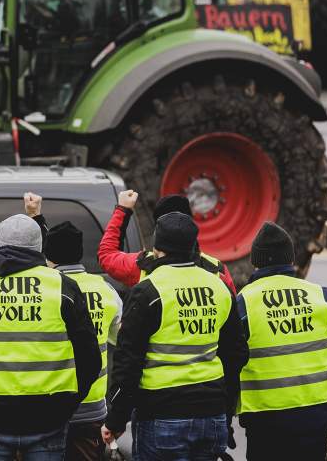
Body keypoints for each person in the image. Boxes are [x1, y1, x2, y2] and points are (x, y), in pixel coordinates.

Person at [0, 214, 101, 461]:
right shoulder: (62, 287)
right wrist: (66, 406)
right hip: (48, 417)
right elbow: (90, 357)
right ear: (39, 246)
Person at [102, 212, 248, 461]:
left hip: (161, 415)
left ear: (157, 249)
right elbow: (236, 354)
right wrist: (225, 410)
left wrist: (116, 420)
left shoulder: (148, 291)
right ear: (193, 247)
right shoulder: (219, 287)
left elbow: (128, 364)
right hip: (211, 413)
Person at [237, 222, 327, 461]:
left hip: (265, 419)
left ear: (255, 262)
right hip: (318, 415)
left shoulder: (244, 303)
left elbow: (230, 359)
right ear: (291, 260)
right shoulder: (321, 296)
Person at [45, 221, 121, 461]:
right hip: (92, 407)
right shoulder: (105, 289)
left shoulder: (45, 290)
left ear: (49, 255)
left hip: (49, 404)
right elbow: (120, 339)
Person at [98, 190, 236, 293]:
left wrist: (123, 209)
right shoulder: (217, 269)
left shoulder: (142, 266)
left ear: (157, 233)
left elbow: (106, 255)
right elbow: (233, 314)